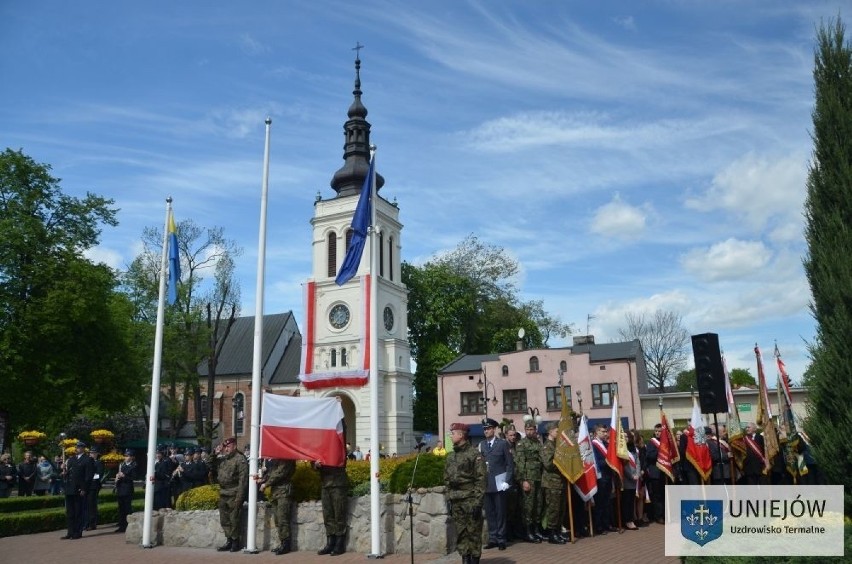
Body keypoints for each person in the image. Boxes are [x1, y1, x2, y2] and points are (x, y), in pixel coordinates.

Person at [444, 422, 486, 564]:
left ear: (461, 435)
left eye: (453, 433)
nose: (451, 436)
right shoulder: (450, 456)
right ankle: (465, 559)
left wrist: (477, 502)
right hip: (456, 500)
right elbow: (447, 480)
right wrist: (449, 499)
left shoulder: (474, 454)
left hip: (470, 499)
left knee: (473, 533)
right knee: (461, 533)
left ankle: (474, 560)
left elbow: (481, 479)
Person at [313, 428, 350, 556]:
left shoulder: (339, 442)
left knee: (339, 513)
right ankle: (330, 542)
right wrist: (315, 464)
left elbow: (342, 428)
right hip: (325, 483)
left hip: (337, 483)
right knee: (328, 515)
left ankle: (339, 543)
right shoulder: (321, 444)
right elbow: (313, 462)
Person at [478, 417, 513, 551]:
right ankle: (492, 538)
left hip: (500, 484)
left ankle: (501, 539)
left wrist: (507, 482)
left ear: (493, 429)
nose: (486, 431)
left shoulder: (502, 444)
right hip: (487, 485)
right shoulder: (482, 445)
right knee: (490, 513)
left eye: (488, 429)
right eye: (484, 429)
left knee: (500, 513)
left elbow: (509, 465)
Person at [209, 437, 249, 552]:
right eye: (225, 447)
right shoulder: (223, 459)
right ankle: (229, 540)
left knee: (234, 519)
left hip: (234, 493)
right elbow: (208, 462)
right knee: (224, 519)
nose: (226, 449)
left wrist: (239, 497)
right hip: (223, 493)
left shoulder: (240, 459)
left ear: (234, 446)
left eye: (228, 446)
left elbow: (243, 481)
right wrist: (215, 453)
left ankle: (235, 542)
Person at [514, 421, 543, 543]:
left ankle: (536, 530)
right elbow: (520, 464)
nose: (530, 431)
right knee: (528, 506)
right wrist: (524, 480)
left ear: (535, 430)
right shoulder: (521, 444)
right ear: (525, 430)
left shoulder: (538, 442)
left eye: (532, 429)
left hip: (538, 477)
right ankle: (528, 532)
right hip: (528, 478)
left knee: (538, 504)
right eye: (528, 429)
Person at [262, 458, 297, 555]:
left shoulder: (287, 459)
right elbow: (272, 473)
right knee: (278, 520)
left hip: (283, 491)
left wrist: (266, 484)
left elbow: (280, 473)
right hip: (275, 492)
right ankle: (282, 542)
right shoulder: (276, 459)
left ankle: (286, 544)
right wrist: (263, 479)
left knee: (283, 519)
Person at [61, 440, 95, 540]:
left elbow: (88, 476)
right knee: (70, 512)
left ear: (83, 448)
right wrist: (63, 470)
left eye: (80, 447)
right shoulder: (71, 459)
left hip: (79, 488)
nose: (78, 448)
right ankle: (70, 532)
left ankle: (77, 532)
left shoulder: (88, 459)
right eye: (77, 447)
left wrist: (84, 488)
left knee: (78, 511)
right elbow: (68, 473)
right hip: (70, 488)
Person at [539, 422, 567, 544]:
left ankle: (557, 532)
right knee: (553, 509)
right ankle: (551, 534)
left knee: (561, 509)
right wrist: (563, 464)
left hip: (560, 482)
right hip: (551, 483)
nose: (558, 433)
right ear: (550, 432)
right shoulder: (547, 447)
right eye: (556, 431)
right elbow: (549, 464)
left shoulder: (557, 445)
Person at [645, 423, 666, 524]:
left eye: (659, 431)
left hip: (665, 472)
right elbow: (650, 456)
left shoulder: (666, 442)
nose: (657, 433)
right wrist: (660, 450)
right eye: (656, 431)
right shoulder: (651, 443)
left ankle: (666, 514)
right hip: (655, 473)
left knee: (664, 494)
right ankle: (659, 516)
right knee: (657, 496)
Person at [114, 449, 137, 533]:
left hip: (127, 489)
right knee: (121, 509)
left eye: (127, 456)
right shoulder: (122, 465)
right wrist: (117, 477)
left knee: (127, 508)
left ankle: (128, 525)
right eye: (125, 456)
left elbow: (133, 477)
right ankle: (121, 525)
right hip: (120, 488)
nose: (126, 457)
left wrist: (124, 476)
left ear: (131, 457)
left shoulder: (133, 466)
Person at [86, 446, 105, 530]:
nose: (91, 454)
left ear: (97, 454)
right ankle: (86, 522)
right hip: (86, 486)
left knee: (92, 505)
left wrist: (90, 477)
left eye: (93, 453)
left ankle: (92, 523)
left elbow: (99, 475)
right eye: (90, 453)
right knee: (86, 505)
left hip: (94, 486)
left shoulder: (98, 463)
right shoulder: (87, 462)